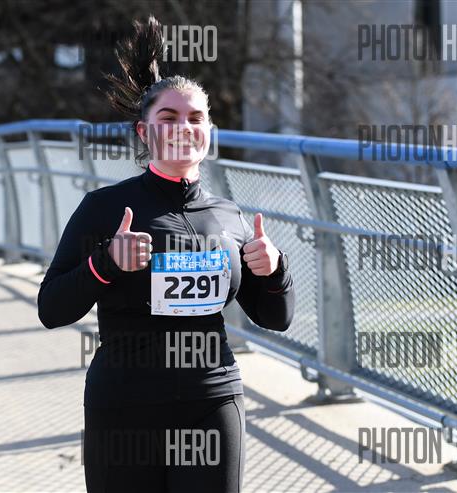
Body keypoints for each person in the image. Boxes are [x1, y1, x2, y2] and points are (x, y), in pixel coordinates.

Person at [37, 17, 294, 493]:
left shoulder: (229, 216)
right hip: (125, 406)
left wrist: (275, 270)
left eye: (195, 118)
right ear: (143, 131)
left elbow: (276, 317)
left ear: (209, 130)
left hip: (211, 401)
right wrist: (105, 264)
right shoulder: (105, 208)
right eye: (168, 118)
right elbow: (52, 309)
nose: (183, 128)